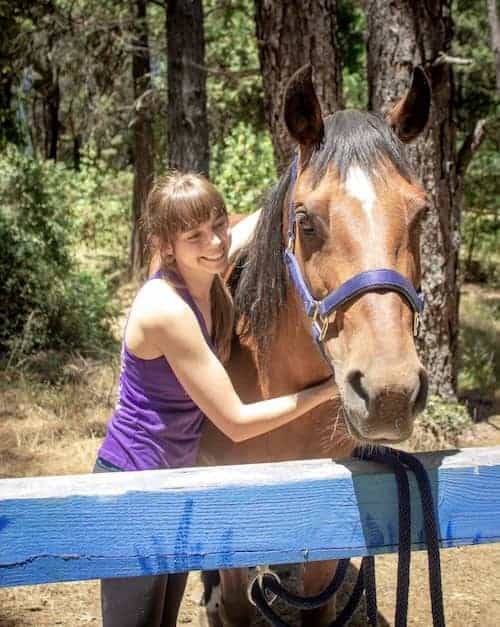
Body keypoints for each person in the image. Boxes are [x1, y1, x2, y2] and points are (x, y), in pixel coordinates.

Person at [94, 171, 335, 627]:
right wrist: (325, 391)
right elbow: (237, 422)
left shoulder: (206, 282)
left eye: (219, 225)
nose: (216, 243)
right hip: (134, 486)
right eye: (195, 235)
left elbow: (262, 223)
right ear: (166, 246)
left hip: (175, 482)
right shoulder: (167, 308)